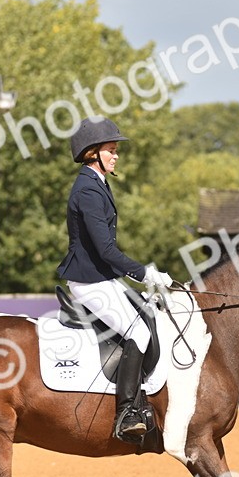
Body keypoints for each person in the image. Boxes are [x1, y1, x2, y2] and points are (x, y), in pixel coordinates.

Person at [57, 117, 174, 443]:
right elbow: (106, 251)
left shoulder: (98, 184)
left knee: (148, 317)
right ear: (92, 152)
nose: (116, 155)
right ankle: (127, 411)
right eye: (111, 150)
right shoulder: (88, 190)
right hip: (89, 281)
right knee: (137, 329)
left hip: (101, 278)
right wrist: (145, 273)